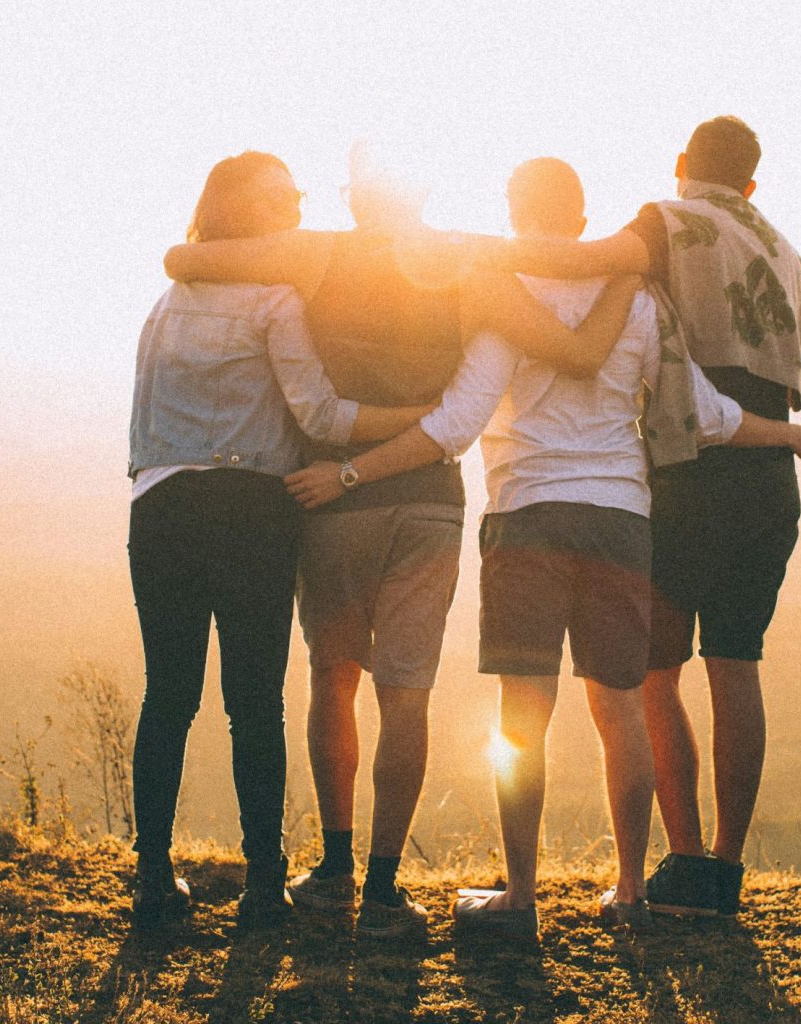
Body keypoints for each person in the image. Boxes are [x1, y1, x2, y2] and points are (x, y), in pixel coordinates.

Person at [283, 156, 801, 940]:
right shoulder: (638, 300)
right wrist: (790, 434)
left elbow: (456, 424)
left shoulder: (504, 295)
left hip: (527, 516)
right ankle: (632, 892)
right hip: (621, 521)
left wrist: (350, 471)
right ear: (581, 219)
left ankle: (522, 897)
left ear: (514, 212)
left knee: (522, 719)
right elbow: (706, 413)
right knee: (621, 712)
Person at [163, 142, 641, 939]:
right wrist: (627, 268)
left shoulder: (313, 256)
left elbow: (186, 259)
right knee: (406, 692)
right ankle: (385, 889)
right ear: (423, 191)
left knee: (333, 677)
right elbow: (573, 350)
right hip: (428, 501)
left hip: (332, 496)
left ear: (354, 199)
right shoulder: (467, 262)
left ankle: (335, 867)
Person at [465, 116, 801, 917]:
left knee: (650, 675)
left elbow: (581, 261)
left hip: (689, 468)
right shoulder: (793, 257)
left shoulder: (669, 222)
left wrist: (467, 252)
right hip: (767, 472)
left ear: (683, 163)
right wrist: (790, 435)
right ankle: (723, 873)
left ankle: (682, 864)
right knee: (738, 664)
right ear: (753, 183)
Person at [128, 151, 435, 930]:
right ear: (248, 212)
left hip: (160, 507)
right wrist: (421, 421)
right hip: (252, 512)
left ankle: (153, 877)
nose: (297, 206)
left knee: (168, 695)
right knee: (253, 703)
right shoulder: (275, 300)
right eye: (283, 197)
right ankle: (265, 884)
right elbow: (322, 418)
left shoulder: (166, 304)